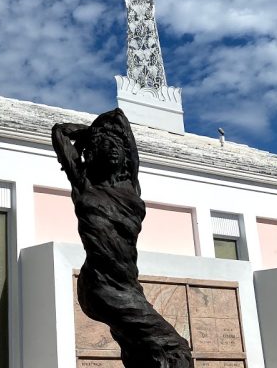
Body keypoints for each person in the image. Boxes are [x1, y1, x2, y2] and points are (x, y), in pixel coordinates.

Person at [52, 108, 192, 368]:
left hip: (127, 286)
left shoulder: (130, 187)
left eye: (117, 145)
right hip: (100, 285)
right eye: (106, 144)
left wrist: (111, 130)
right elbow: (59, 132)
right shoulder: (85, 184)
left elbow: (125, 134)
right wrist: (90, 132)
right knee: (173, 348)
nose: (114, 149)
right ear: (93, 151)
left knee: (139, 352)